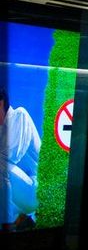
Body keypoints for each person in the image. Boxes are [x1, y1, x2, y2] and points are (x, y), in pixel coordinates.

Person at [1, 88, 41, 231]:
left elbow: (11, 155)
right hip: (22, 196)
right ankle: (19, 218)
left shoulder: (19, 116)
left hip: (37, 190)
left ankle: (8, 223)